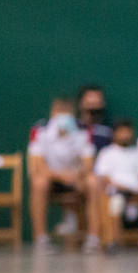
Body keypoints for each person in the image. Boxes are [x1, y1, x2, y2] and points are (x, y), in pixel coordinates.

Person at [29, 98, 96, 252]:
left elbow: (88, 163)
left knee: (93, 182)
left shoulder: (83, 131)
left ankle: (93, 239)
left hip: (76, 178)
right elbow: (37, 165)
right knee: (39, 183)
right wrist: (60, 176)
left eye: (67, 113)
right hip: (52, 179)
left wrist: (77, 175)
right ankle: (41, 239)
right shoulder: (39, 130)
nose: (63, 117)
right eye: (59, 113)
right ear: (53, 114)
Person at [92, 118, 138, 252]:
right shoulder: (107, 153)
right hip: (117, 190)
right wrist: (122, 186)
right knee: (114, 201)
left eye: (128, 132)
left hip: (137, 190)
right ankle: (111, 240)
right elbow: (103, 176)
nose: (125, 135)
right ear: (115, 134)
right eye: (122, 132)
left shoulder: (137, 153)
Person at [76, 84, 114, 152]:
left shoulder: (109, 131)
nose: (93, 102)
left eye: (97, 99)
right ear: (80, 103)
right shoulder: (72, 127)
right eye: (90, 98)